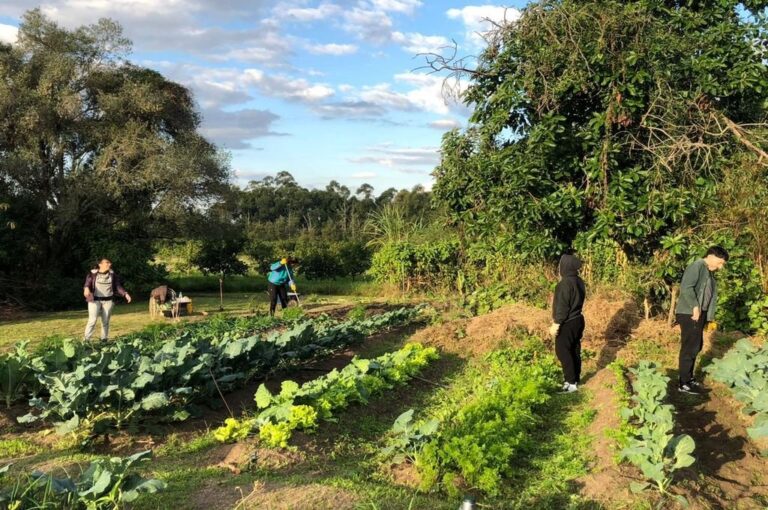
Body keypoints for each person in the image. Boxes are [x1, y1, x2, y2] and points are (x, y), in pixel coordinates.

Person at [675, 246, 729, 394]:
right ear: (711, 256)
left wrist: (708, 317)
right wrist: (695, 307)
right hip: (690, 313)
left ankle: (688, 378)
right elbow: (686, 288)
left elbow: (709, 296)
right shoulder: (696, 266)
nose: (721, 267)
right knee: (690, 347)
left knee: (696, 345)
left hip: (700, 314)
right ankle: (684, 384)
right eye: (719, 262)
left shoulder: (708, 272)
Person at [549, 254, 586, 393]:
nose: (559, 268)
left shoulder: (564, 284)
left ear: (565, 267)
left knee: (562, 351)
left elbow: (563, 306)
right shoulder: (579, 281)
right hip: (578, 319)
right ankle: (575, 380)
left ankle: (570, 382)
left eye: (561, 265)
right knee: (574, 349)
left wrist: (556, 324)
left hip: (568, 322)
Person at [83, 258, 131, 341]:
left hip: (108, 301)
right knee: (92, 320)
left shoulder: (113, 275)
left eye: (110, 263)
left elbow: (117, 286)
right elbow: (87, 284)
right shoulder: (92, 274)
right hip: (94, 301)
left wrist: (125, 294)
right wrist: (86, 289)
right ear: (100, 264)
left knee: (105, 321)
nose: (110, 264)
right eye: (107, 262)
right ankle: (86, 340)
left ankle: (104, 339)